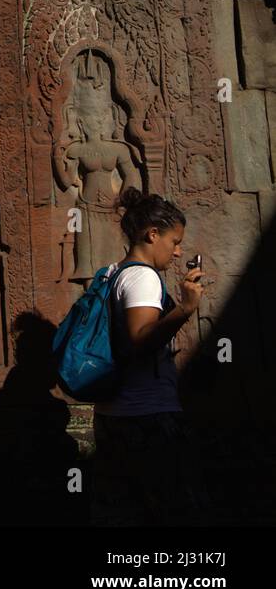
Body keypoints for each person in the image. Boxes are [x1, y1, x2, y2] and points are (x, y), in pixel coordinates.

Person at [90, 186, 211, 525]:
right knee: (180, 510)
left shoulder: (114, 272)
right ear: (152, 234)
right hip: (146, 417)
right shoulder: (142, 277)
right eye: (174, 242)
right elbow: (141, 339)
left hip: (114, 414)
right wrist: (185, 308)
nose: (177, 252)